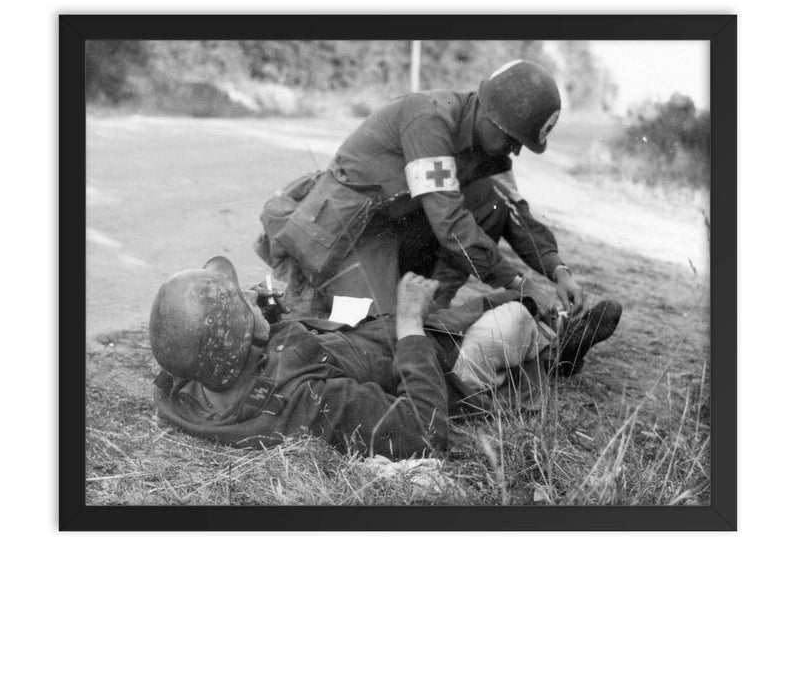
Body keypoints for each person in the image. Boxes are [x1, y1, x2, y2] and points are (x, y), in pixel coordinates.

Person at [149, 256, 621, 459]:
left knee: (486, 301)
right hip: (435, 372)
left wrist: (262, 315)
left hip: (370, 338)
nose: (250, 301)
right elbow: (423, 429)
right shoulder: (309, 402)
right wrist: (412, 326)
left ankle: (552, 332)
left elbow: (202, 337)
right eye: (242, 307)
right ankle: (559, 354)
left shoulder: (194, 381)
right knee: (512, 317)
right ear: (237, 337)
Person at [255, 59, 585, 317]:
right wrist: (518, 284)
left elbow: (516, 213)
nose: (514, 151)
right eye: (513, 139)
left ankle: (432, 313)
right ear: (488, 112)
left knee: (492, 200)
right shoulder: (430, 121)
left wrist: (558, 270)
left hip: (396, 228)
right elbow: (450, 224)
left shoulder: (488, 147)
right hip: (349, 234)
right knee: (371, 334)